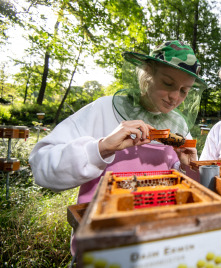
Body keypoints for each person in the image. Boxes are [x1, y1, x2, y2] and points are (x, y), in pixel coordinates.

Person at [29, 40, 207, 255]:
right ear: (147, 74)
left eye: (184, 91)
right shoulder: (102, 109)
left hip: (157, 245)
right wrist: (101, 148)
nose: (175, 97)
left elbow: (183, 187)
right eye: (168, 84)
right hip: (102, 243)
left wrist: (189, 167)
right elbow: (42, 167)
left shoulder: (178, 124)